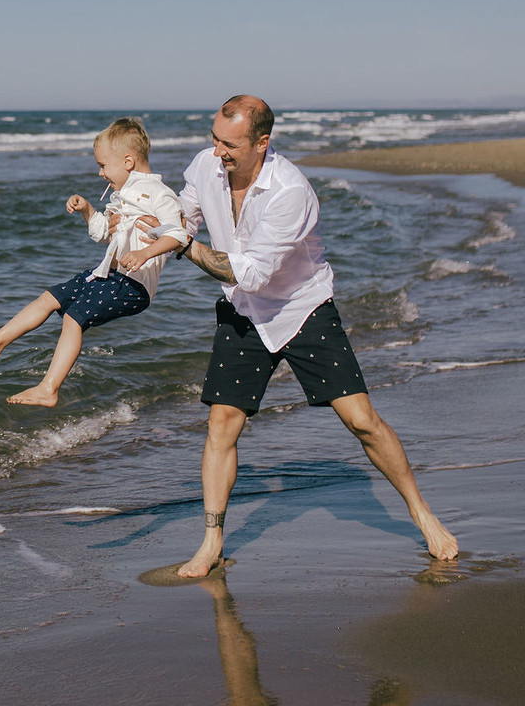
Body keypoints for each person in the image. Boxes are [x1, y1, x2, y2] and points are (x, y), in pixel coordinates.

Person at [115, 95, 458, 573]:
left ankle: (423, 514)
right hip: (243, 313)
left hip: (301, 308)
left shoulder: (290, 190)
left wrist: (187, 248)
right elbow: (184, 220)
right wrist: (141, 231)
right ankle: (211, 542)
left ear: (262, 143)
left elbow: (249, 273)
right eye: (214, 139)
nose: (219, 153)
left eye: (230, 145)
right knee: (221, 425)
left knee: (361, 420)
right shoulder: (205, 165)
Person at [0, 117, 189, 406]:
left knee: (73, 317)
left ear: (128, 161)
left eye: (103, 166)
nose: (101, 173)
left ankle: (48, 388)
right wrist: (88, 210)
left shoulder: (160, 195)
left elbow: (178, 236)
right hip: (106, 275)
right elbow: (105, 234)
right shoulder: (121, 194)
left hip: (133, 285)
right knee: (51, 297)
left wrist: (144, 253)